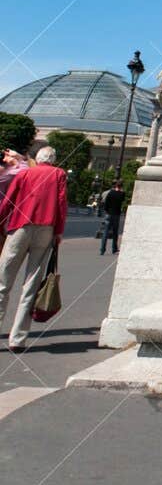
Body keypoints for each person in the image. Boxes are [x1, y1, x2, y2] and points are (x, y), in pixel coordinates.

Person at [0, 144, 67, 352]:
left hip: (20, 227)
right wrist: (58, 232)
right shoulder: (59, 174)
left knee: (3, 281)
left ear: (38, 159)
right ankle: (18, 339)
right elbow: (61, 203)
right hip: (46, 229)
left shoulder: (25, 174)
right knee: (31, 284)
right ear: (53, 160)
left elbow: (8, 201)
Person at [100, 179, 125, 256]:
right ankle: (114, 249)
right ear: (121, 186)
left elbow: (106, 204)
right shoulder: (122, 194)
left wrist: (107, 211)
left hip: (109, 214)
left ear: (115, 185)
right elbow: (122, 200)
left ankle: (102, 250)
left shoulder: (110, 193)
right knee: (115, 232)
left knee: (105, 232)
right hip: (116, 214)